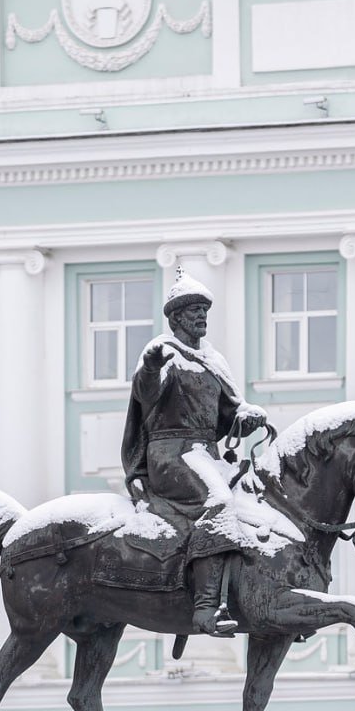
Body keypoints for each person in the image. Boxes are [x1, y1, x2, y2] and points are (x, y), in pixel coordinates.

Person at [120, 269, 268, 636]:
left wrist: (244, 417)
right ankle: (204, 607)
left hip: (206, 452)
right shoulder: (164, 352)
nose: (201, 316)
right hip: (170, 453)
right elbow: (147, 394)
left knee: (258, 499)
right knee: (218, 501)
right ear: (175, 318)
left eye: (204, 309)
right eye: (193, 310)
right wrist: (151, 369)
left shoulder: (214, 361)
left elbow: (227, 413)